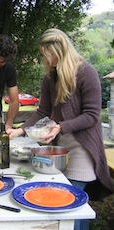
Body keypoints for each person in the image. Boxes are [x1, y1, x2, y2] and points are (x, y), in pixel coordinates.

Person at [7, 28, 113, 230]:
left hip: (83, 148)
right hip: (60, 150)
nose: (44, 60)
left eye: (45, 55)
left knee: (72, 201)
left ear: (59, 50)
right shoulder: (50, 77)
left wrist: (60, 127)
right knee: (67, 201)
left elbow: (92, 115)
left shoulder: (86, 73)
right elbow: (42, 111)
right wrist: (19, 131)